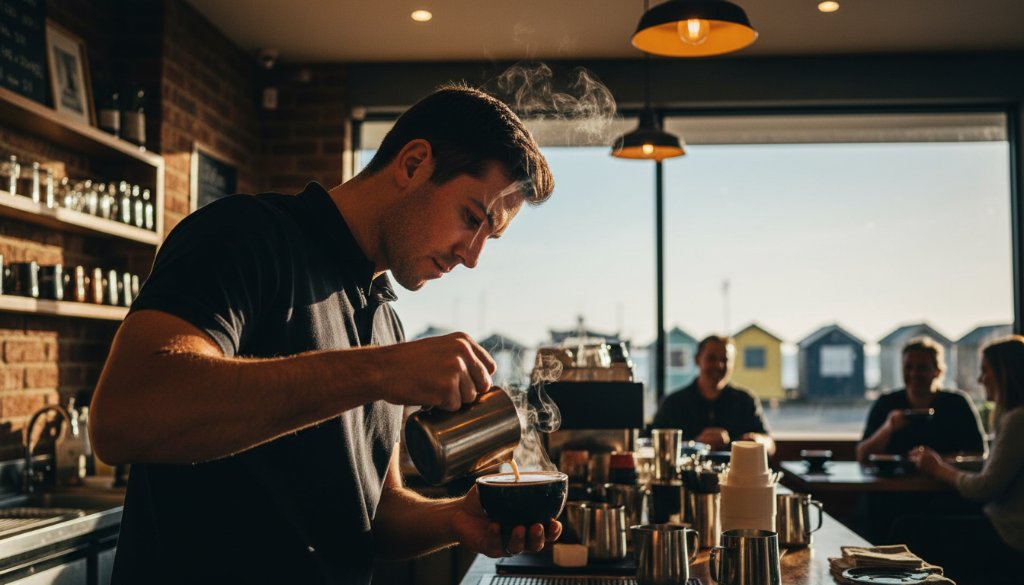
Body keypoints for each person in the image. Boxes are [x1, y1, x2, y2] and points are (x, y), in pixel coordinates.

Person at [89, 85, 559, 585]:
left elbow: (374, 512)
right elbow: (124, 415)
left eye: (491, 236)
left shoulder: (385, 323)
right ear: (414, 163)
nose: (472, 256)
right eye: (471, 218)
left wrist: (455, 520)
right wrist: (381, 371)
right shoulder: (244, 236)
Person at [900, 335, 1024, 584]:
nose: (980, 379)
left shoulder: (1017, 420)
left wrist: (939, 469)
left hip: (1009, 535)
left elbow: (984, 488)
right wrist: (948, 464)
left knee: (905, 531)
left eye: (985, 371)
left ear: (1004, 374)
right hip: (1002, 526)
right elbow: (995, 463)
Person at [856, 336, 986, 463]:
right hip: (894, 483)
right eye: (908, 367)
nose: (913, 373)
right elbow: (862, 454)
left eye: (922, 367)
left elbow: (979, 453)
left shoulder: (957, 404)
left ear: (937, 371)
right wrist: (887, 428)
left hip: (945, 482)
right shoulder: (886, 404)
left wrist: (936, 463)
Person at [652, 335, 775, 455]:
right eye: (711, 359)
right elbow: (651, 443)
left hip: (737, 474)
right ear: (697, 360)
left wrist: (758, 441)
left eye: (725, 360)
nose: (719, 365)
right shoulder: (673, 403)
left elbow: (770, 445)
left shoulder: (746, 401)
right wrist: (695, 444)